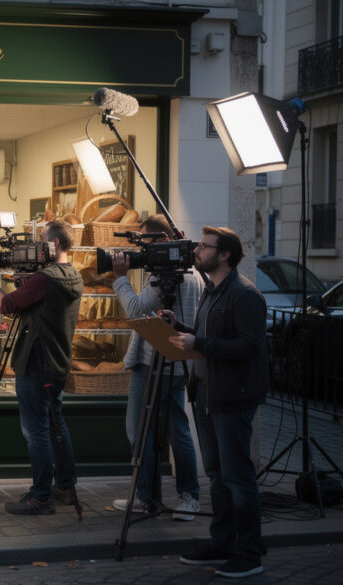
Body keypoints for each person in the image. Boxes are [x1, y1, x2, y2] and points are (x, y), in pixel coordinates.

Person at [164, 226, 268, 579]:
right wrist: (177, 326)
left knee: (238, 478)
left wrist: (199, 344)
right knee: (217, 476)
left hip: (232, 397)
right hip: (206, 394)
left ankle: (249, 553)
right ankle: (222, 543)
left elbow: (250, 346)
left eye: (203, 247)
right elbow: (207, 338)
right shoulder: (211, 291)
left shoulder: (245, 294)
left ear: (224, 254)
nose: (196, 251)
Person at [0, 219, 83, 515]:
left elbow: (5, 306)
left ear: (56, 245)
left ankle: (40, 496)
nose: (37, 245)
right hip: (58, 362)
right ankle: (65, 486)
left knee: (35, 431)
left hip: (35, 361)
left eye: (42, 239)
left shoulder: (44, 280)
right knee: (55, 426)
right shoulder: (73, 275)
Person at [109, 215, 202, 520]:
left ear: (162, 241)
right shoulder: (194, 272)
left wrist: (120, 277)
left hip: (153, 361)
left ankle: (148, 497)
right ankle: (188, 497)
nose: (142, 251)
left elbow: (136, 309)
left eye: (146, 242)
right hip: (179, 360)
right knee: (179, 431)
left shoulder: (167, 274)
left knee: (139, 431)